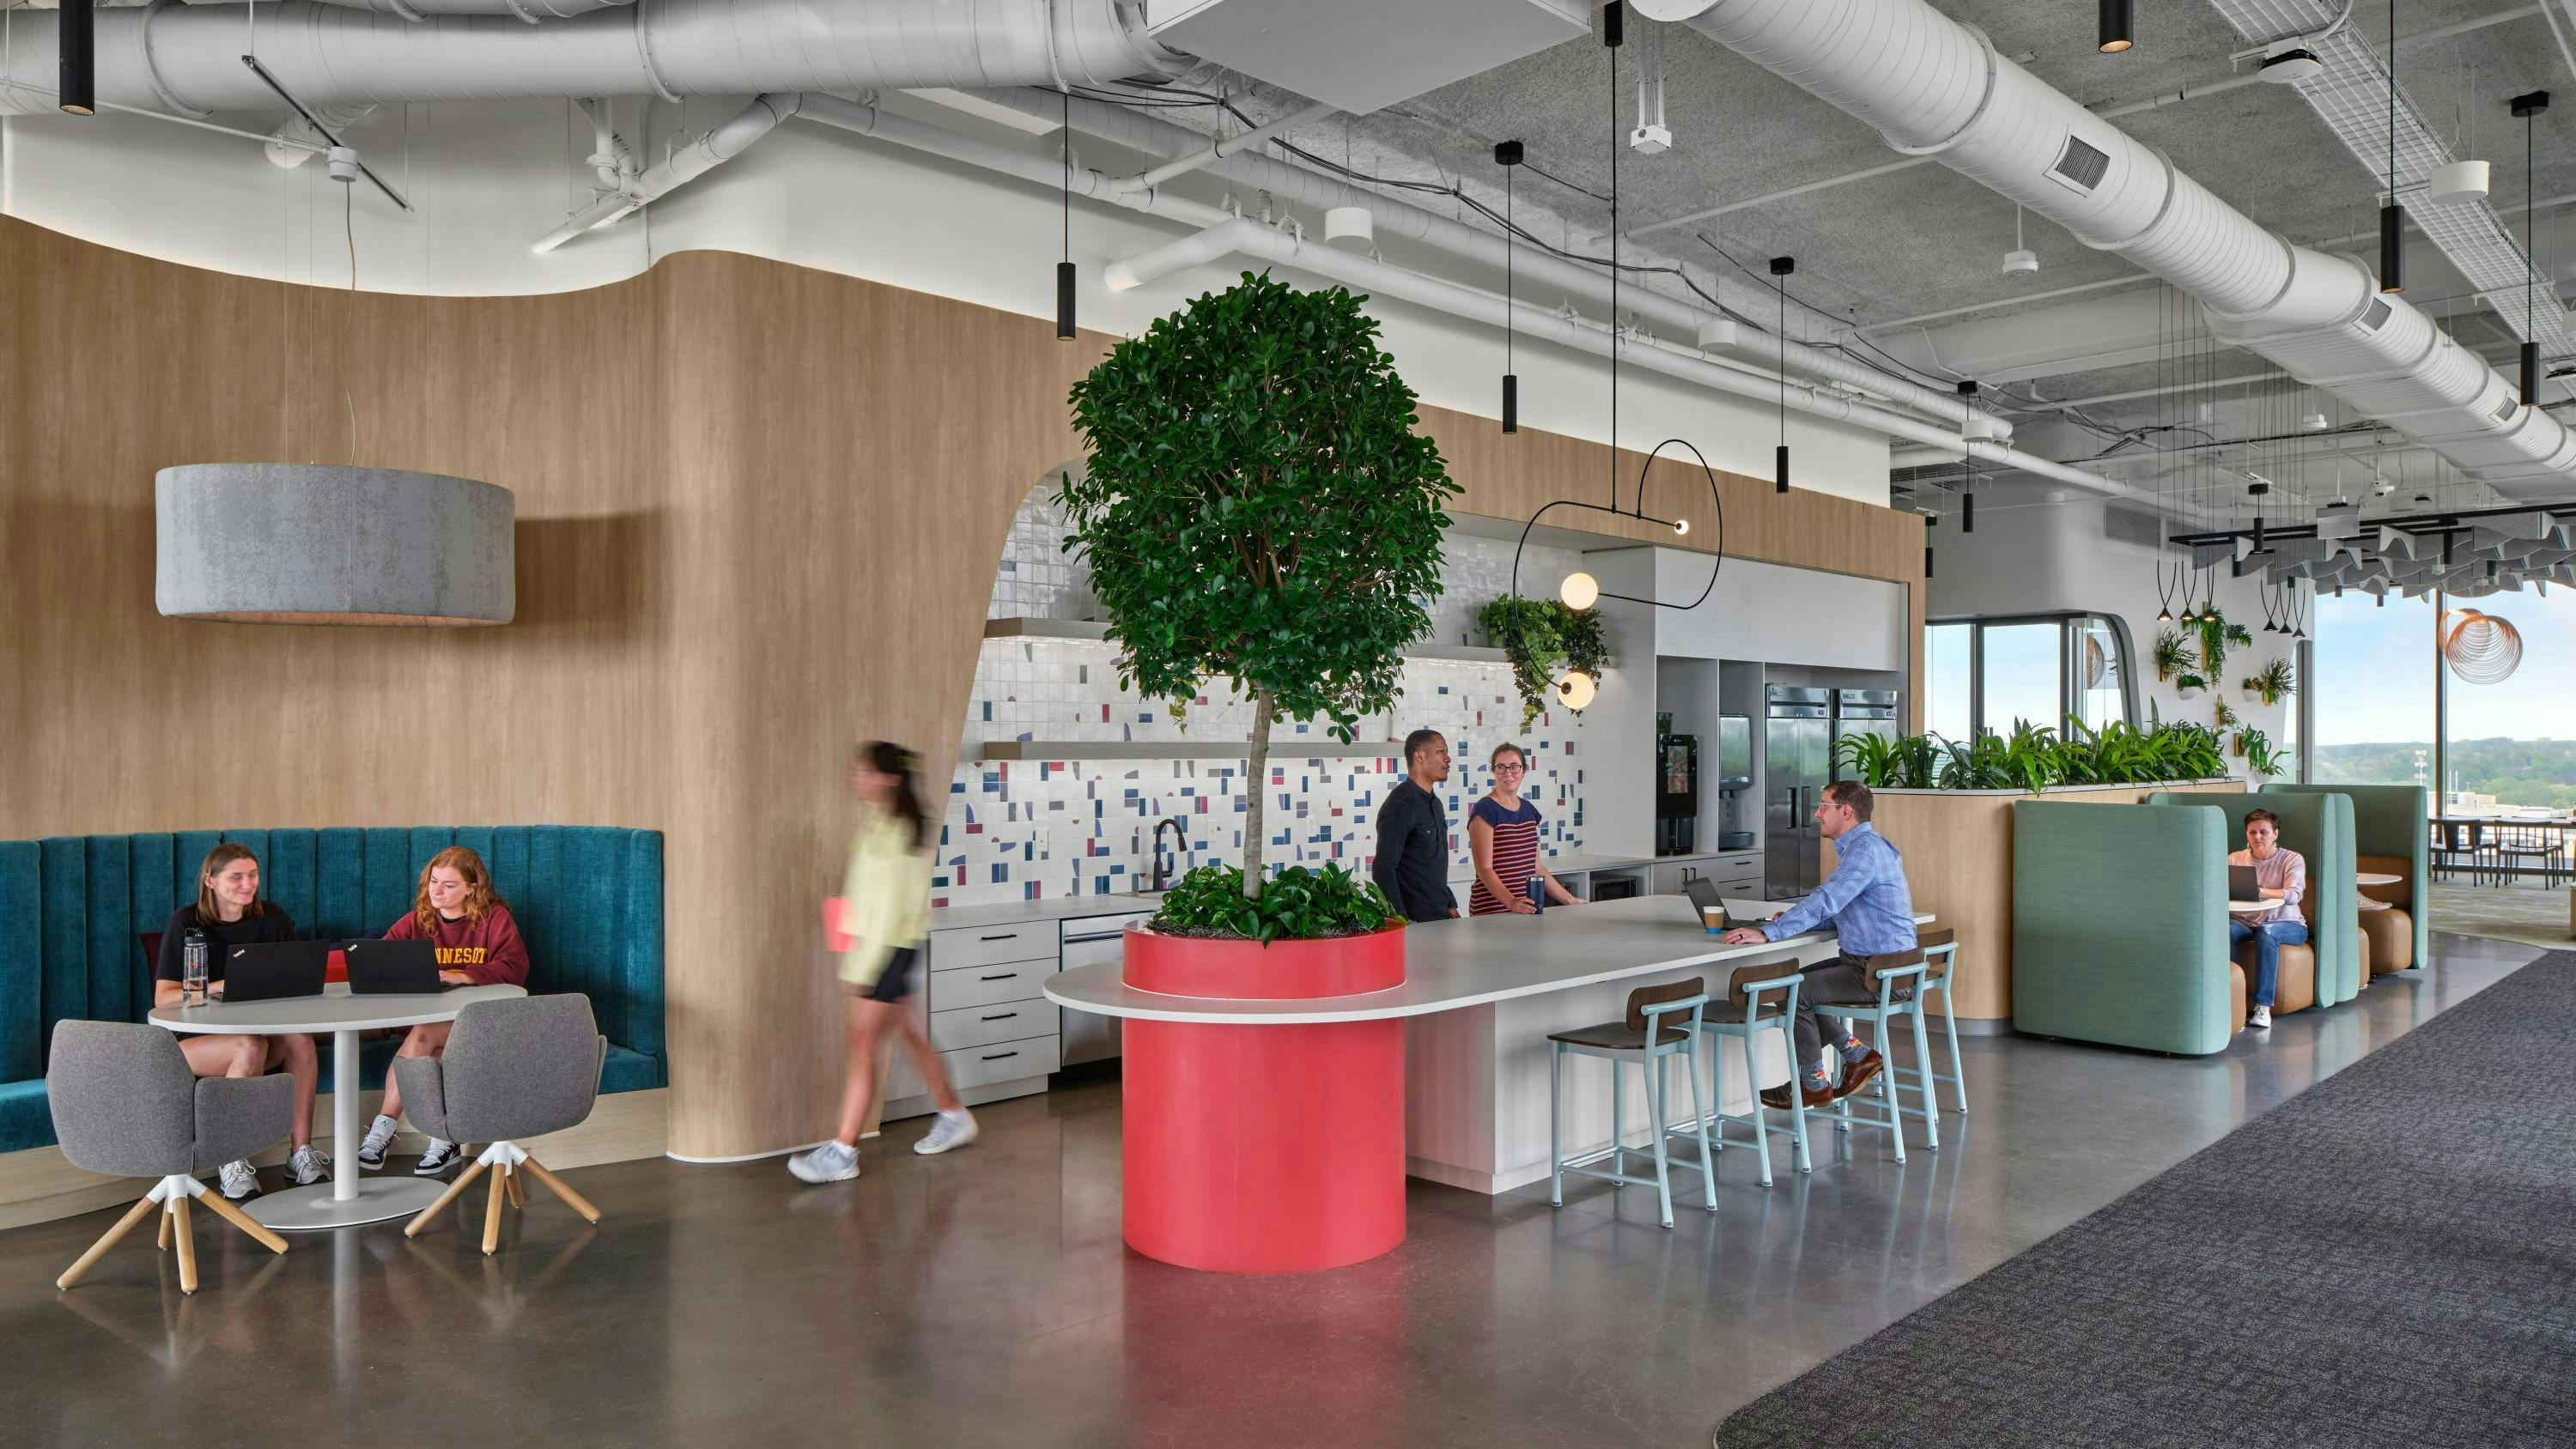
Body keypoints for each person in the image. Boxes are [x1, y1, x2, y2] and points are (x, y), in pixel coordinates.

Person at [790, 742, 979, 1184]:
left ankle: (843, 1150)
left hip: (891, 953)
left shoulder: (901, 834)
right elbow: (863, 898)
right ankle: (954, 1114)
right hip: (885, 952)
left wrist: (861, 970)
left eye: (866, 773)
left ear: (890, 778)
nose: (858, 779)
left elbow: (893, 913)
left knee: (862, 1043)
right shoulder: (877, 825)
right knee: (910, 1037)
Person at [1721, 780, 1917, 1110]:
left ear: (1846, 811)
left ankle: (1812, 1085)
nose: (1817, 813)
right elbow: (1842, 910)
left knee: (1790, 991)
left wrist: (1772, 932)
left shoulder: (1864, 852)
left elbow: (1826, 900)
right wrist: (1785, 921)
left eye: (1824, 806)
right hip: (1878, 964)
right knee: (1789, 986)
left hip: (1879, 970)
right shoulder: (1868, 847)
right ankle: (1857, 1055)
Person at [151, 843, 325, 1201]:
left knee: (299, 1039)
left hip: (260, 1033)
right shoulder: (185, 922)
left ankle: (301, 1153)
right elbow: (164, 997)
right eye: (236, 877)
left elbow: (294, 979)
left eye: (253, 875)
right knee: (249, 1045)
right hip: (193, 1045)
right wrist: (213, 987)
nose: (247, 884)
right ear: (211, 881)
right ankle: (231, 1161)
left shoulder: (272, 917)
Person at [354, 846, 530, 1176]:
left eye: (449, 885)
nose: (436, 890)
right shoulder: (417, 920)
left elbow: (516, 967)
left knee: (423, 1034)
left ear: (471, 888)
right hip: (430, 1024)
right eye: (434, 881)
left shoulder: (494, 919)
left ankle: (382, 1130)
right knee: (431, 1054)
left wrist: (465, 976)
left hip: (479, 1023)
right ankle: (444, 1141)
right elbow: (376, 962)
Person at [1467, 743, 1579, 916]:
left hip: (1523, 910)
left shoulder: (1529, 810)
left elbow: (1535, 866)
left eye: (1514, 767)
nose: (1508, 773)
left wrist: (1569, 900)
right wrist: (1511, 902)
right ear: (1494, 771)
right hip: (1491, 912)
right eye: (1501, 767)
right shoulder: (1485, 810)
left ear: (1523, 771)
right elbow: (1484, 869)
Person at [2228, 808, 2307, 1031]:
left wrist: (2261, 891)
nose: (2257, 837)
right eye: (2252, 832)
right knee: (2223, 930)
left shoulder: (2292, 859)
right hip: (2244, 922)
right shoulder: (2235, 858)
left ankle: (2263, 1006)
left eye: (2263, 832)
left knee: (2267, 932)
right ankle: (2235, 1003)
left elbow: (2293, 895)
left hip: (2287, 924)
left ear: (2276, 833)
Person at [1372, 729, 1460, 923]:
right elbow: (1383, 868)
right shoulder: (1400, 806)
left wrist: (1449, 902)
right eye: (1440, 752)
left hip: (1440, 916)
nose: (1447, 759)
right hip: (1414, 922)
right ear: (1419, 757)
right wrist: (1400, 918)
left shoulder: (1434, 802)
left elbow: (1431, 864)